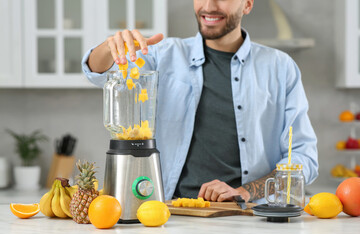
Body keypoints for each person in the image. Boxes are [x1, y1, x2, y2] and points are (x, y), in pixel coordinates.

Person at [82, 0, 318, 203]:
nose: (209, 6)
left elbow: (304, 157)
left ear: (247, 4)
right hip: (169, 215)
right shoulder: (162, 55)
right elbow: (98, 74)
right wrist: (108, 46)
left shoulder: (280, 67)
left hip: (250, 216)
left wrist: (244, 192)